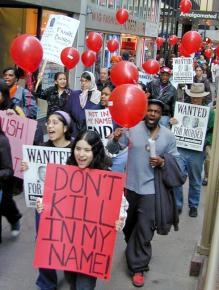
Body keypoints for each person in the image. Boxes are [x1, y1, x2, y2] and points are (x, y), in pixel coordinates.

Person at [36, 130, 125, 290]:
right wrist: (43, 204)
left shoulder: (106, 176)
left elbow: (121, 205)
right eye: (78, 149)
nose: (81, 154)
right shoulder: (64, 171)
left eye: (87, 150)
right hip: (68, 244)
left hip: (90, 248)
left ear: (95, 152)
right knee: (71, 280)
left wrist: (119, 220)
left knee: (84, 286)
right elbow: (52, 196)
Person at [111, 99, 184, 287]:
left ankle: (138, 267)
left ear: (161, 115)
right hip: (131, 187)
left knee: (145, 228)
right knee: (128, 226)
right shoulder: (132, 128)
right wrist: (116, 138)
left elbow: (178, 163)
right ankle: (133, 248)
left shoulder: (168, 136)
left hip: (152, 190)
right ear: (144, 112)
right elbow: (113, 150)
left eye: (157, 112)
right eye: (150, 110)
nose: (152, 114)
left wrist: (163, 162)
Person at [21, 110, 73, 290]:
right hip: (44, 205)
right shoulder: (40, 149)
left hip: (68, 206)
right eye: (48, 122)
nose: (49, 126)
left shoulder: (76, 150)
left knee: (68, 241)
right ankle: (46, 282)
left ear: (65, 128)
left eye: (55, 123)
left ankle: (72, 273)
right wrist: (27, 168)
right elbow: (34, 176)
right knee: (43, 242)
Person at [173, 83, 214, 217]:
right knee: (178, 177)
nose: (196, 100)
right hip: (181, 148)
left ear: (202, 98)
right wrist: (173, 122)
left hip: (197, 151)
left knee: (195, 180)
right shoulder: (182, 109)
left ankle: (193, 205)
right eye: (194, 97)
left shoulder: (209, 114)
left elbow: (212, 132)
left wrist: (205, 141)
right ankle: (178, 205)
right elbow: (175, 126)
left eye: (198, 97)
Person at [0, 121, 22, 242]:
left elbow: (8, 170)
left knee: (5, 205)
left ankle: (14, 219)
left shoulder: (2, 141)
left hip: (3, 184)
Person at [65, 71, 101, 138]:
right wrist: (72, 127)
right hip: (74, 133)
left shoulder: (98, 95)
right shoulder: (74, 94)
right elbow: (67, 113)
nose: (83, 83)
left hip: (91, 134)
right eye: (82, 81)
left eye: (86, 81)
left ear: (92, 81)